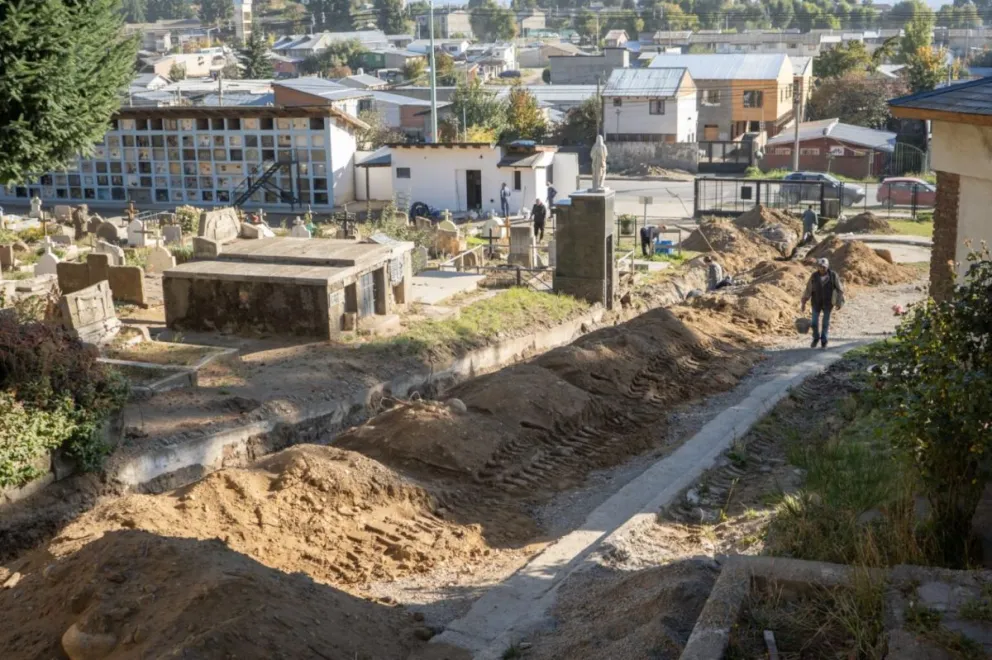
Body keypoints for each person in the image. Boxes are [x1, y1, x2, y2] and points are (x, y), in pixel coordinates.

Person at [801, 257, 844, 349]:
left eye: (824, 267)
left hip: (828, 303)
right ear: (817, 267)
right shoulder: (814, 276)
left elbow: (840, 289)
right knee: (814, 323)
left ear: (827, 266)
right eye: (820, 266)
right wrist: (804, 302)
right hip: (816, 302)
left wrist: (839, 302)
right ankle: (816, 338)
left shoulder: (833, 275)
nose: (822, 268)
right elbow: (808, 289)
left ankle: (824, 340)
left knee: (825, 323)